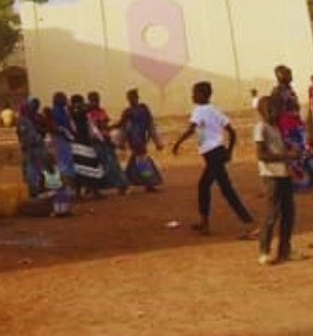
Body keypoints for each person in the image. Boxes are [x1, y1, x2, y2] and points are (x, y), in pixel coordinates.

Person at [172, 81, 254, 237]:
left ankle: (248, 222)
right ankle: (204, 223)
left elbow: (192, 129)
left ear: (202, 95)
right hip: (218, 152)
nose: (192, 96)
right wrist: (229, 151)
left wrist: (177, 143)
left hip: (212, 154)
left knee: (226, 189)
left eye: (194, 93)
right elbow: (232, 132)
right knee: (203, 185)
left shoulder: (199, 110)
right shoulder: (215, 110)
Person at [255, 95, 297, 265]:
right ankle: (264, 251)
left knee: (289, 213)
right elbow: (261, 154)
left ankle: (285, 250)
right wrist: (285, 156)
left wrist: (289, 149)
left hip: (283, 174)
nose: (275, 113)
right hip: (271, 176)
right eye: (271, 110)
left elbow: (279, 147)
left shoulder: (276, 128)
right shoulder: (261, 128)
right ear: (263, 111)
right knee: (271, 214)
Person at [117, 88, 163, 191]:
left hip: (140, 137)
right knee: (142, 159)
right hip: (134, 138)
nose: (131, 100)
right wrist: (121, 141)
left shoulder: (143, 109)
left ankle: (124, 184)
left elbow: (150, 125)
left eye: (133, 98)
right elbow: (122, 126)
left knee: (135, 160)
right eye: (129, 98)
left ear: (137, 98)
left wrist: (156, 140)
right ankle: (148, 184)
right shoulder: (128, 112)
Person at [87, 91, 128, 194]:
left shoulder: (101, 111)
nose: (96, 101)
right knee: (101, 165)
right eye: (94, 100)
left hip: (105, 140)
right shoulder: (87, 114)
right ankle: (96, 188)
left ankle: (120, 185)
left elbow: (106, 125)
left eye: (97, 99)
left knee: (112, 164)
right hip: (96, 142)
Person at [67, 94, 107, 198]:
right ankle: (93, 191)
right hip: (83, 143)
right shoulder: (78, 113)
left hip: (78, 144)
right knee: (92, 166)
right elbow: (88, 109)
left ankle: (81, 192)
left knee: (81, 168)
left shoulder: (74, 113)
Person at [16, 98, 48, 197]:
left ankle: (36, 187)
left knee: (36, 168)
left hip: (35, 147)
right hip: (31, 147)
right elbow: (28, 135)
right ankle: (33, 188)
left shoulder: (33, 118)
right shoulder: (24, 121)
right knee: (32, 169)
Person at [42, 153, 71, 217]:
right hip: (61, 193)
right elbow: (66, 182)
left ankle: (54, 209)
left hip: (54, 193)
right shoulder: (60, 168)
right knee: (65, 192)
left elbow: (43, 186)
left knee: (43, 196)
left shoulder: (43, 171)